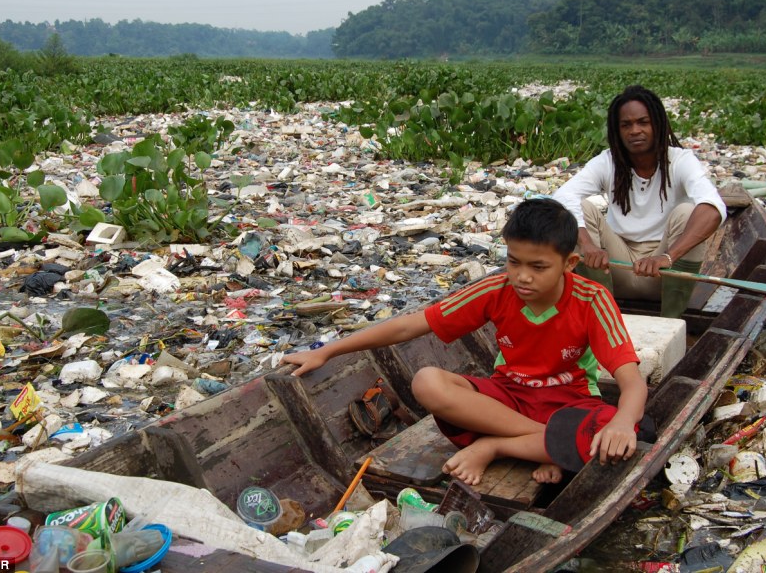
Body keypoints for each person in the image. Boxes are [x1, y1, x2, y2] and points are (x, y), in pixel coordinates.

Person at [284, 198, 650, 486]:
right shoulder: (496, 290)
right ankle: (550, 445)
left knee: (619, 428)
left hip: (569, 403)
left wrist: (621, 422)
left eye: (538, 267)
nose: (522, 277)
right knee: (427, 381)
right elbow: (408, 327)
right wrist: (326, 351)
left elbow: (631, 381)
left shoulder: (592, 298)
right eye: (513, 262)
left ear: (569, 263)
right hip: (507, 401)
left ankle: (496, 447)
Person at [552, 85, 727, 318]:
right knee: (575, 211)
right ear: (617, 131)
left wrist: (668, 256)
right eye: (626, 125)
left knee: (688, 212)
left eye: (643, 122)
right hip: (615, 269)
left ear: (658, 124)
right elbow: (563, 196)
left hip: (663, 274)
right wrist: (588, 246)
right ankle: (600, 316)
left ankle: (672, 321)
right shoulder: (609, 161)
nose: (635, 130)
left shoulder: (680, 160)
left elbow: (714, 208)